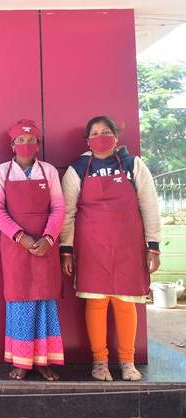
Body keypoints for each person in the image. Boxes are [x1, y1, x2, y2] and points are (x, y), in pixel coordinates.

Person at [60, 116, 161, 381]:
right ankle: (100, 362)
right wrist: (66, 249)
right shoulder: (78, 168)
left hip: (129, 247)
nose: (100, 137)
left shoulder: (133, 164)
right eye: (94, 133)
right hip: (91, 248)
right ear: (87, 140)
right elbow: (67, 212)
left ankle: (128, 361)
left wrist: (153, 246)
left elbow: (149, 205)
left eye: (105, 132)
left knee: (126, 303)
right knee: (96, 303)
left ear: (116, 137)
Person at [0, 119, 65, 381]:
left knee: (45, 299)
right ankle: (21, 361)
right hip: (15, 246)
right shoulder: (1, 172)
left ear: (38, 144)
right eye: (20, 140)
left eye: (31, 140)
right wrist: (20, 237)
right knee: (19, 298)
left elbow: (59, 207)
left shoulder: (49, 171)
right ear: (12, 145)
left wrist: (48, 238)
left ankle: (43, 361)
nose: (26, 144)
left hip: (46, 245)